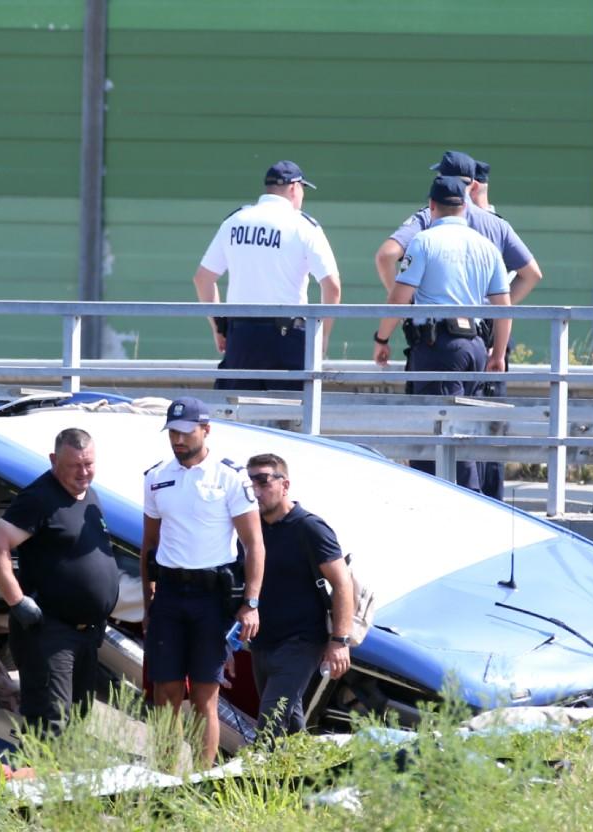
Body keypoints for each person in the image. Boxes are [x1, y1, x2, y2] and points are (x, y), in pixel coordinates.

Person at [375, 151, 544, 498]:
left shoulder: (423, 239)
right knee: (473, 435)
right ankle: (480, 503)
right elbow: (504, 304)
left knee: (433, 434)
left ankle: (443, 502)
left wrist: (382, 336)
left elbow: (396, 291)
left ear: (432, 206)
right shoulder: (487, 244)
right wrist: (497, 351)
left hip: (437, 346)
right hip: (478, 347)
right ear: (465, 206)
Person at [140, 396, 264, 766]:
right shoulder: (156, 476)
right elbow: (149, 544)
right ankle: (165, 780)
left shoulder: (230, 476)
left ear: (205, 430)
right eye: (172, 433)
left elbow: (253, 543)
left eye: (185, 432)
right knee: (165, 691)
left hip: (213, 597)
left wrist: (251, 602)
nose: (177, 440)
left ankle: (200, 781)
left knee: (205, 696)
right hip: (170, 594)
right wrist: (148, 602)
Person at [0, 427, 120, 736]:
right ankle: (40, 782)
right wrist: (17, 601)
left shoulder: (91, 496)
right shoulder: (39, 498)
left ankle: (68, 784)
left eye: (89, 464)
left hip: (87, 633)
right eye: (75, 466)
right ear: (54, 460)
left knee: (78, 719)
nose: (84, 472)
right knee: (50, 724)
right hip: (50, 631)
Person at [192, 160, 341, 391]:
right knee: (291, 417)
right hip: (288, 339)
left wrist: (218, 327)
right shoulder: (304, 226)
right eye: (303, 189)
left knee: (237, 417)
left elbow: (202, 279)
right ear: (293, 188)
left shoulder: (235, 221)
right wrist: (322, 336)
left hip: (241, 336)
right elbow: (332, 287)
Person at [245, 453, 353, 737]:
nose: (256, 489)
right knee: (291, 725)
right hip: (263, 642)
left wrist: (340, 641)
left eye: (263, 480)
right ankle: (307, 778)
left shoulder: (309, 527)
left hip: (302, 641)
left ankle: (262, 779)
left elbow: (343, 583)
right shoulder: (251, 528)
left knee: (270, 722)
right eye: (250, 482)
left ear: (285, 484)